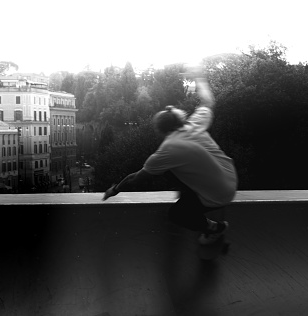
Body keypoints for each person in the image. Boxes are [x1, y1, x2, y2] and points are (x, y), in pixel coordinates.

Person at [102, 66, 237, 245]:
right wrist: (200, 79)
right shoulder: (193, 123)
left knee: (176, 214)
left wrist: (115, 189)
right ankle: (195, 198)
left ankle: (215, 229)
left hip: (219, 194)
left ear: (160, 131)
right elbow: (208, 102)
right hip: (231, 177)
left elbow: (136, 178)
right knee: (174, 168)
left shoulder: (168, 149)